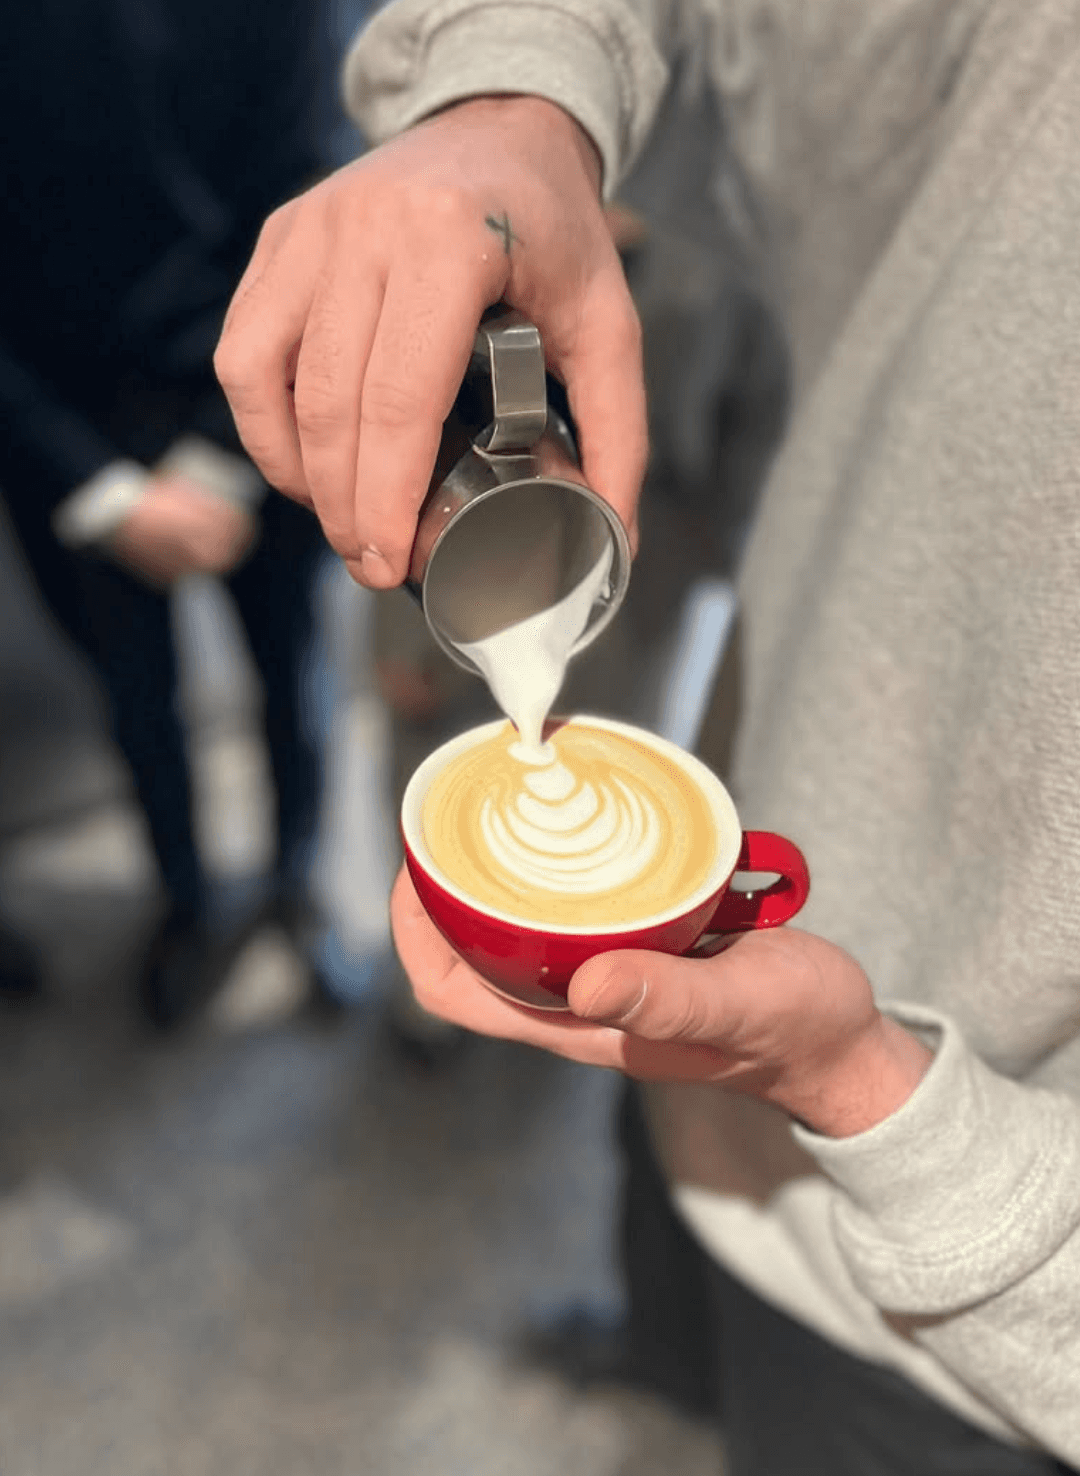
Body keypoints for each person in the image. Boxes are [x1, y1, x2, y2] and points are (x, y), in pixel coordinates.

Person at [213, 1, 1080, 1469]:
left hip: (962, 1353)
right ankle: (652, 1345)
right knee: (665, 1224)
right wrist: (517, 89)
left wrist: (885, 1108)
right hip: (737, 997)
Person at [0, 0, 338, 1026]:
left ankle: (296, 886)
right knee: (138, 708)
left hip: (258, 397)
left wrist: (226, 460)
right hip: (67, 433)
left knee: (293, 675)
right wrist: (99, 489)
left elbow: (315, 201)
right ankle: (184, 902)